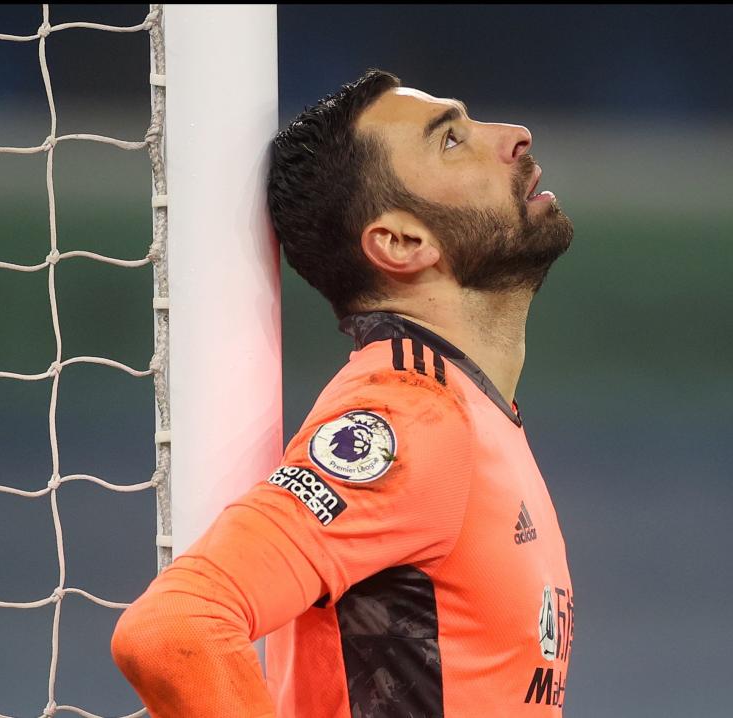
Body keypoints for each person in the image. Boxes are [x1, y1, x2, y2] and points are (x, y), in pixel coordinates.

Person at [111, 69, 576, 717]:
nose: (514, 137)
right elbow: (175, 628)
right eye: (449, 141)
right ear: (400, 242)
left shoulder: (467, 408)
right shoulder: (408, 411)